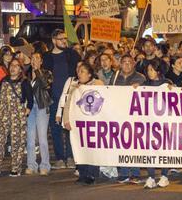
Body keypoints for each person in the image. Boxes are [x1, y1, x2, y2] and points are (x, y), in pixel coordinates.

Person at [59, 62, 104, 185]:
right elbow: (68, 105)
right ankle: (83, 173)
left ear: (89, 74)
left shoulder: (98, 84)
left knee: (92, 148)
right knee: (80, 148)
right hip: (78, 124)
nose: (79, 74)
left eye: (82, 71)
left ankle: (92, 174)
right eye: (78, 71)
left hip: (93, 124)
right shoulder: (75, 87)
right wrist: (66, 120)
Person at [43, 29, 80, 169]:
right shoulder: (46, 57)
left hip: (70, 98)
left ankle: (71, 157)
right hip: (54, 98)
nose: (64, 41)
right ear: (53, 41)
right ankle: (60, 158)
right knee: (55, 129)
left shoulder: (72, 54)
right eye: (61, 38)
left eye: (65, 38)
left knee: (69, 128)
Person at [0, 58, 32, 177]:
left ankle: (16, 168)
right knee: (0, 140)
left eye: (16, 66)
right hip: (2, 115)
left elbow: (30, 100)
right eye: (12, 65)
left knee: (17, 141)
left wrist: (25, 112)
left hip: (17, 115)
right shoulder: (3, 80)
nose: (13, 68)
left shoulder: (24, 82)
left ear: (20, 69)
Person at [109, 54, 146, 183]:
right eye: (124, 62)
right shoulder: (115, 77)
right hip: (119, 115)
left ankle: (135, 173)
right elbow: (109, 93)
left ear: (134, 63)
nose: (127, 64)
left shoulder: (140, 78)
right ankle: (124, 173)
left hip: (135, 116)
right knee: (122, 143)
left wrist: (139, 88)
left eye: (129, 62)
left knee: (134, 144)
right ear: (120, 63)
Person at [142, 61, 171, 189]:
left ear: (158, 71)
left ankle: (164, 176)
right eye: (148, 70)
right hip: (149, 123)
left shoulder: (167, 83)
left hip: (164, 123)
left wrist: (174, 89)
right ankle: (151, 177)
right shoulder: (145, 85)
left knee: (164, 149)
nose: (149, 73)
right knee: (150, 150)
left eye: (152, 70)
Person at [26, 51, 53, 175]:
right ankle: (31, 165)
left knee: (42, 139)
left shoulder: (47, 73)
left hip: (42, 106)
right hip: (30, 108)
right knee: (30, 139)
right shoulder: (25, 73)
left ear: (41, 61)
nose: (34, 60)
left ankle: (45, 165)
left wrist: (37, 71)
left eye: (37, 58)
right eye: (32, 58)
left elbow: (45, 85)